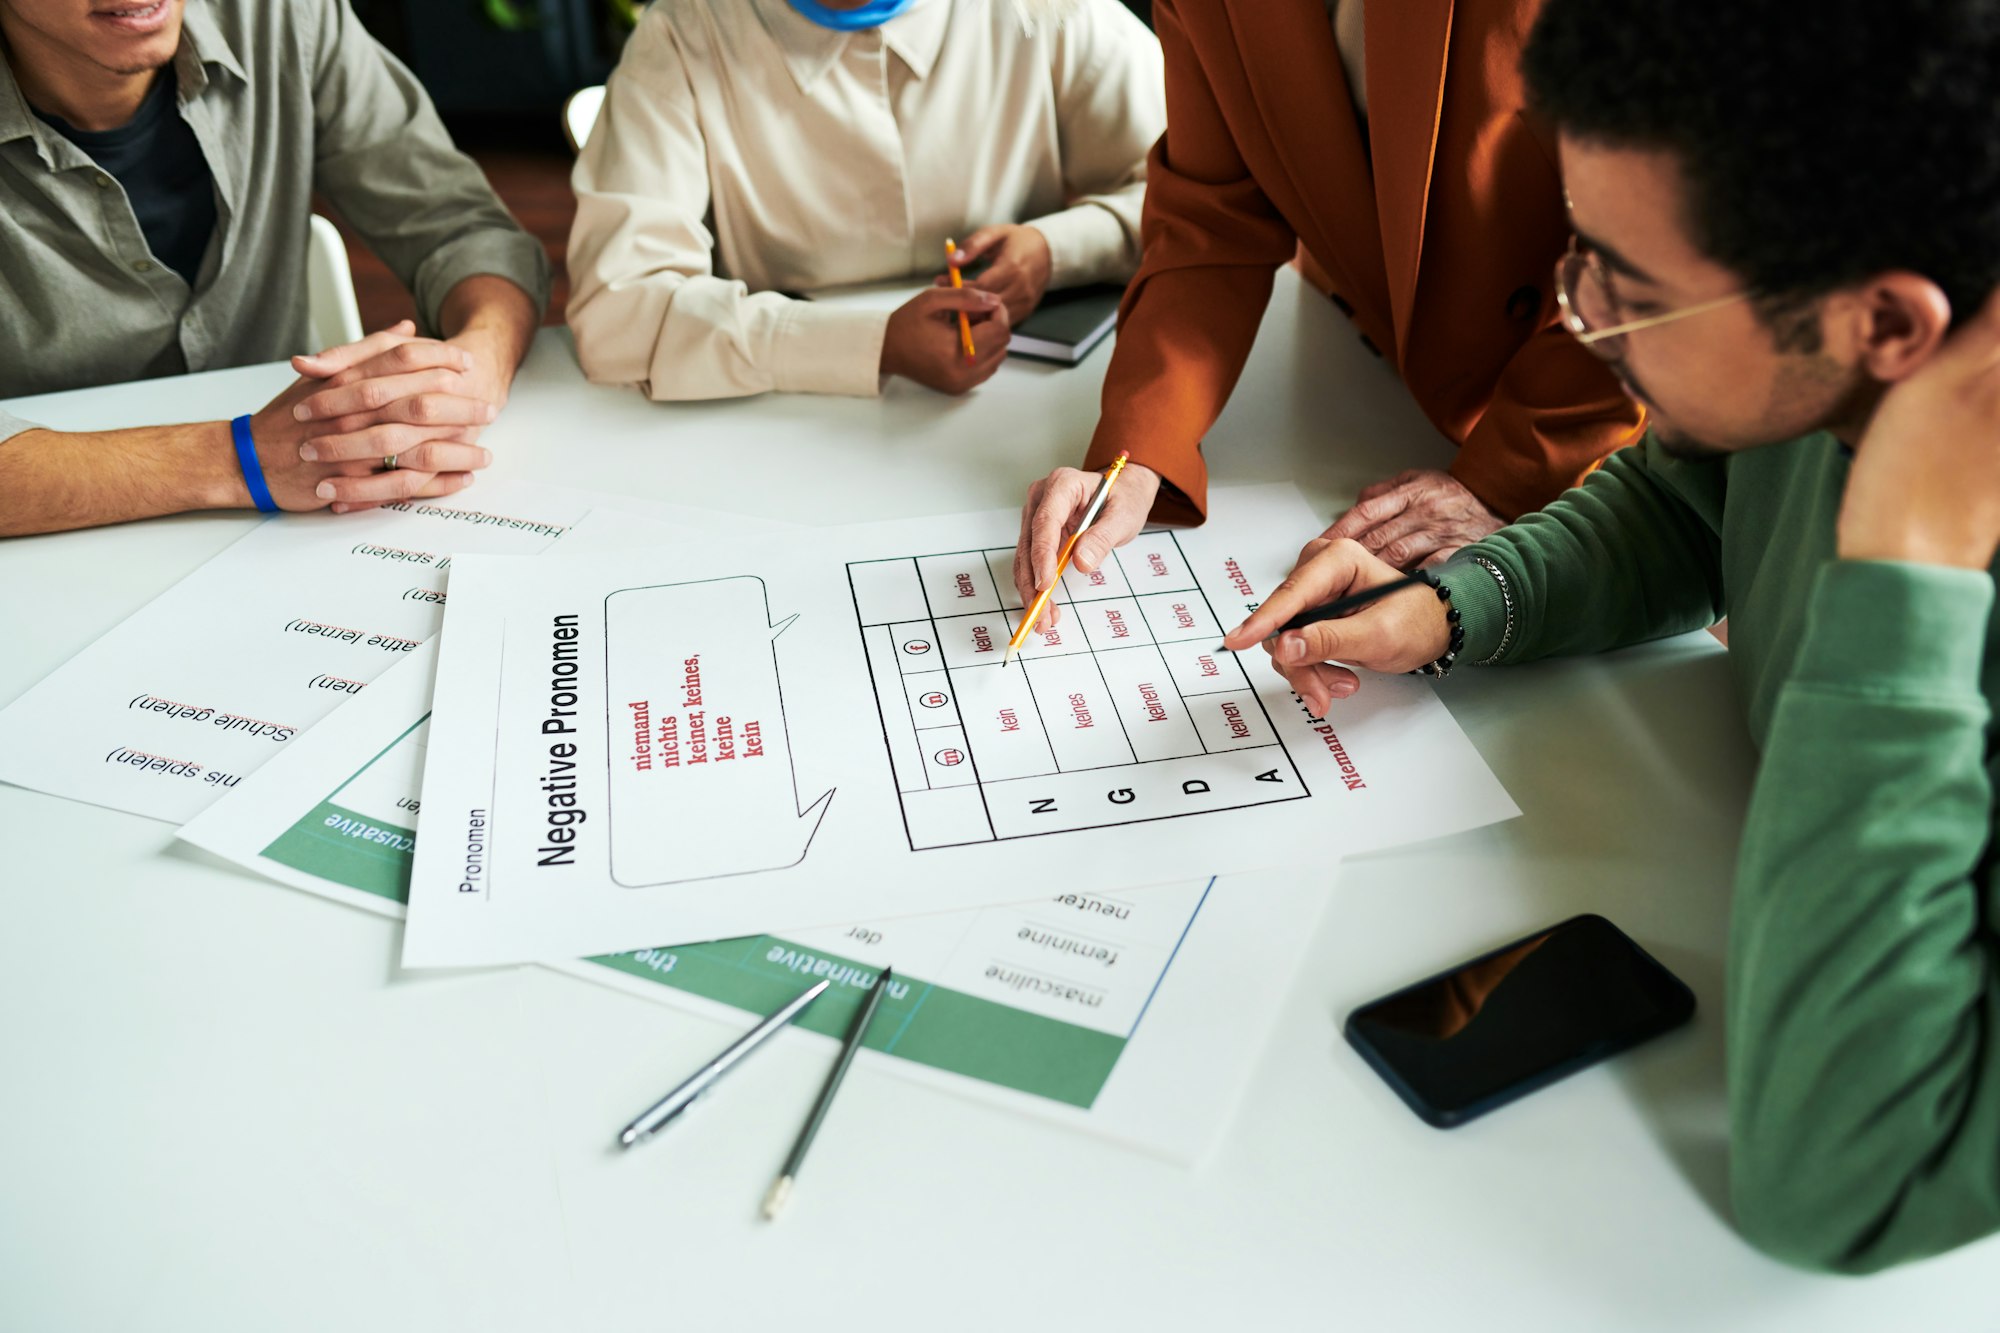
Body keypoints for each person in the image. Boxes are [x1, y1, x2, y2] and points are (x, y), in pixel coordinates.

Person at [1224, 0, 2000, 1274]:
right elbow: (1685, 502)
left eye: (1627, 292)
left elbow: (1842, 1191)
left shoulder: (1905, 506)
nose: (1579, 318)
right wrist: (1454, 606)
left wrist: (1900, 571)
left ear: (1888, 329)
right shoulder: (1832, 353)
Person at [1010, 0, 1646, 616]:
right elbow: (1213, 216)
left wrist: (1505, 477)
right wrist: (1142, 448)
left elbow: (1663, 245)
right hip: (1365, 369)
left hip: (1601, 399)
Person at [0, 0, 551, 537]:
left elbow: (462, 229)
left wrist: (475, 364)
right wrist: (241, 459)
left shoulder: (285, 14)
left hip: (298, 532)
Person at [566, 0, 1164, 402]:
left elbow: (1203, 199)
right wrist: (873, 343)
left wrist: (1055, 250)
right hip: (784, 410)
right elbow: (619, 313)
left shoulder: (1053, 12)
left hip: (1022, 396)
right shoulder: (684, 31)